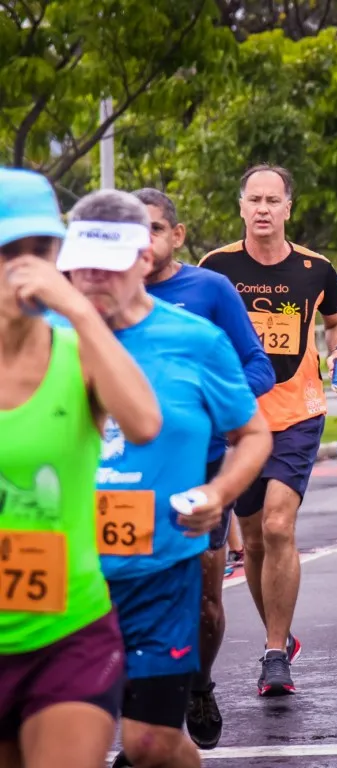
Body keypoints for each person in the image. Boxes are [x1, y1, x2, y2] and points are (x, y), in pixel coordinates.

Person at [62, 191, 272, 768]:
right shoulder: (40, 337)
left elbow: (253, 434)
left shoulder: (193, 338)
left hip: (156, 569)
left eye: (107, 264)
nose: (92, 278)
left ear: (143, 257)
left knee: (150, 742)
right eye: (80, 265)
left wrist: (219, 492)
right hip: (59, 570)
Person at [0, 169, 161, 768]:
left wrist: (77, 310)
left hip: (68, 631)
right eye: (7, 251)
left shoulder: (78, 351)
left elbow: (144, 422)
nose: (24, 268)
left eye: (39, 251)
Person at [199, 164, 337, 697]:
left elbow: (336, 320)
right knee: (254, 545)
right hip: (237, 419)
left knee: (275, 525)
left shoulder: (316, 269)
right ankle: (280, 634)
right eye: (254, 199)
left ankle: (272, 655)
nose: (263, 208)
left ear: (289, 208)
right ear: (241, 206)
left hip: (298, 413)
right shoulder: (216, 267)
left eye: (274, 200)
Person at [132, 187, 275, 750]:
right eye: (130, 232)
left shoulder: (208, 291)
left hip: (201, 469)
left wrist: (207, 408)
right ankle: (146, 732)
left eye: (153, 229)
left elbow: (256, 368)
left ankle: (200, 685)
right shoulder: (93, 299)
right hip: (120, 478)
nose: (141, 243)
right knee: (126, 596)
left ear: (177, 235)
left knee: (203, 601)